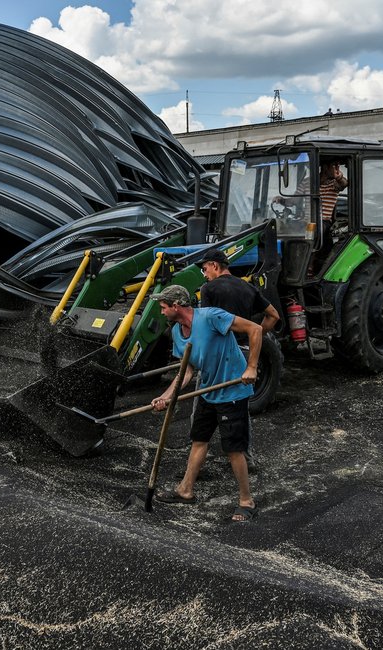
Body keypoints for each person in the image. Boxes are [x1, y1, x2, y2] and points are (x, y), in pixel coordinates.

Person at [148, 284, 262, 522]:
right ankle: (185, 490)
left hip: (232, 391)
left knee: (233, 449)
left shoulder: (211, 317)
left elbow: (255, 329)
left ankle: (246, 501)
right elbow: (186, 371)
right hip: (208, 392)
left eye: (162, 307)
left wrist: (251, 367)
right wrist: (166, 397)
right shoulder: (178, 333)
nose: (161, 312)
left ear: (176, 306)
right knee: (199, 439)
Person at [197, 248, 280, 472]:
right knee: (239, 407)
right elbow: (274, 315)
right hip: (242, 352)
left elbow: (206, 323)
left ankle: (198, 462)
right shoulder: (247, 287)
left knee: (204, 405)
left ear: (215, 266)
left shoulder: (209, 288)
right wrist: (257, 335)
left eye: (204, 268)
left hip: (218, 355)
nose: (204, 274)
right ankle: (246, 456)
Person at [273, 158, 348, 273]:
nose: (337, 169)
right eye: (334, 165)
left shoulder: (334, 183)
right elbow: (294, 200)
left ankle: (308, 266)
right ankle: (286, 264)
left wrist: (339, 177)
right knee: (282, 227)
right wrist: (282, 200)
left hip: (323, 222)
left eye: (338, 166)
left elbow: (343, 184)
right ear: (324, 167)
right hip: (305, 221)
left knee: (313, 230)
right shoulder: (307, 181)